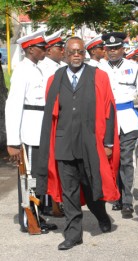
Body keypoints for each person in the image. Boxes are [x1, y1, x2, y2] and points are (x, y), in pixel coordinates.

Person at [36, 36, 120, 250]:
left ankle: (101, 215)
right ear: (64, 54)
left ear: (85, 54)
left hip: (90, 142)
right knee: (69, 191)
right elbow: (51, 115)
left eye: (80, 52)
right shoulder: (55, 78)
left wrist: (108, 142)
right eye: (72, 51)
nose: (76, 55)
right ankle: (73, 234)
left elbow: (109, 109)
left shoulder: (98, 77)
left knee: (92, 186)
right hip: (64, 144)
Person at [5, 29, 57, 234]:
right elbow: (13, 106)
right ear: (30, 49)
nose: (45, 50)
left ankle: (37, 214)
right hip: (29, 131)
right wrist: (13, 142)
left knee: (38, 177)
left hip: (41, 130)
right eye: (42, 48)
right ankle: (29, 219)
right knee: (29, 178)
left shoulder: (38, 68)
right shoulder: (22, 70)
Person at [99, 32, 138, 218]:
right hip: (106, 120)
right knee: (111, 160)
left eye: (116, 48)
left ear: (123, 48)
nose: (112, 52)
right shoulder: (98, 68)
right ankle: (115, 195)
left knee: (127, 160)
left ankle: (127, 200)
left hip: (128, 119)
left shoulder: (134, 67)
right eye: (109, 49)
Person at [38, 29, 66, 217]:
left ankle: (56, 203)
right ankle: (50, 204)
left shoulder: (59, 66)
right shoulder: (46, 68)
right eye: (59, 47)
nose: (62, 50)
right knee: (48, 165)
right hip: (49, 120)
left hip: (60, 120)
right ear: (49, 50)